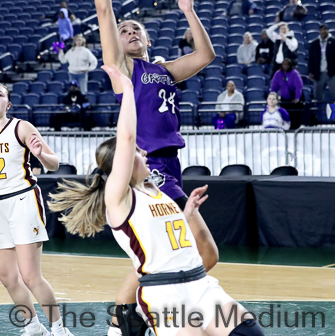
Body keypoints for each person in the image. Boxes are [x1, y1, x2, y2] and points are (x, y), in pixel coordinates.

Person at [49, 65, 265, 336]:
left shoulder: (157, 189)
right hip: (164, 293)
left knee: (250, 333)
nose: (144, 153)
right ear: (123, 164)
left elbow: (178, 240)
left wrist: (187, 215)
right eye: (138, 152)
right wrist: (128, 90)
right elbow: (127, 137)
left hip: (199, 284)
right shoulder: (120, 198)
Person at [73, 0, 219, 327]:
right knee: (202, 252)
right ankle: (130, 315)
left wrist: (189, 11)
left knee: (175, 255)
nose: (129, 31)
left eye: (136, 28)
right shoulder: (124, 70)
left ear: (149, 39)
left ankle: (126, 319)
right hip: (146, 167)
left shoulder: (164, 69)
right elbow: (104, 12)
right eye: (124, 30)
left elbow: (206, 55)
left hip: (171, 164)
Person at [0, 83, 74, 336]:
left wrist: (40, 155)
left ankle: (59, 329)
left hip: (22, 201)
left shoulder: (21, 127)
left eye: (0, 94)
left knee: (30, 275)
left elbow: (54, 163)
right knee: (6, 276)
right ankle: (33, 326)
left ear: (8, 104)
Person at [308, 24, 335, 102]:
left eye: (325, 30)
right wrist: (310, 71)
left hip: (332, 73)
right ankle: (318, 110)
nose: (323, 31)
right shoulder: (314, 43)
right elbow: (311, 58)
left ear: (328, 30)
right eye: (321, 30)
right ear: (319, 31)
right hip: (318, 73)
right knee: (317, 97)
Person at [270, 59, 304, 129]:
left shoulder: (294, 73)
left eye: (287, 65)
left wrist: (297, 98)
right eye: (284, 64)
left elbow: (298, 86)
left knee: (294, 119)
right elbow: (274, 86)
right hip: (284, 99)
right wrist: (272, 97)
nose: (285, 66)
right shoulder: (278, 74)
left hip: (293, 100)